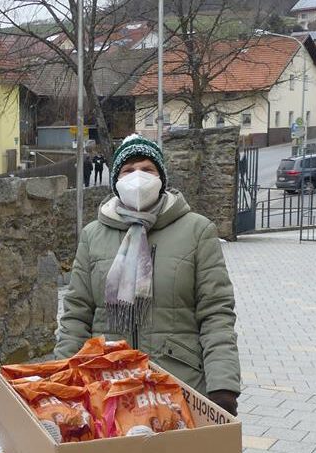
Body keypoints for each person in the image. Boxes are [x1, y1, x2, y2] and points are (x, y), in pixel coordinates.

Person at [56, 134, 241, 417]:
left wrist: (223, 384)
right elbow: (77, 313)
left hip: (178, 385)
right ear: (116, 181)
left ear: (162, 178)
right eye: (128, 170)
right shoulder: (93, 235)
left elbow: (216, 313)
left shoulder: (197, 230)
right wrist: (61, 378)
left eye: (147, 169)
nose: (138, 177)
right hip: (107, 388)